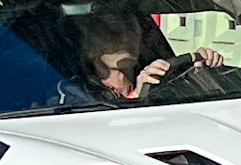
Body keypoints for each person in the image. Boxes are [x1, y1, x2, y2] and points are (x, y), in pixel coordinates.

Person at [82, 11, 222, 100]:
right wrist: (138, 95)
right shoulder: (80, 90)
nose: (125, 40)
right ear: (91, 49)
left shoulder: (157, 75)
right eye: (112, 35)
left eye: (131, 31)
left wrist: (197, 70)